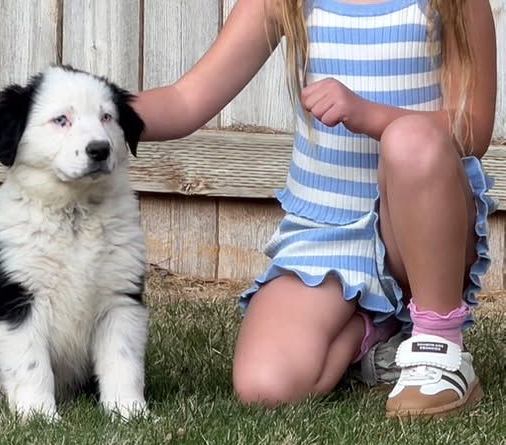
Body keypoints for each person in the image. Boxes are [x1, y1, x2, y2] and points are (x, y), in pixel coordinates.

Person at [133, 0, 497, 418]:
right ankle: (377, 337)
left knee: (409, 139)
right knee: (264, 386)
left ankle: (439, 348)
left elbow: (473, 128)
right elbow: (185, 100)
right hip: (324, 234)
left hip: (425, 230)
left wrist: (368, 114)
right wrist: (99, 111)